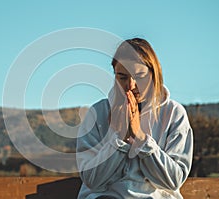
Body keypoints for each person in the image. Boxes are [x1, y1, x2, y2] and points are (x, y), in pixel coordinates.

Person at [76, 38, 193, 199]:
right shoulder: (97, 113)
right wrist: (120, 140)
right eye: (122, 77)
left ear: (154, 74)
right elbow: (92, 181)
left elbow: (173, 181)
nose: (130, 85)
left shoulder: (174, 113)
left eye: (139, 76)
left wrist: (140, 138)